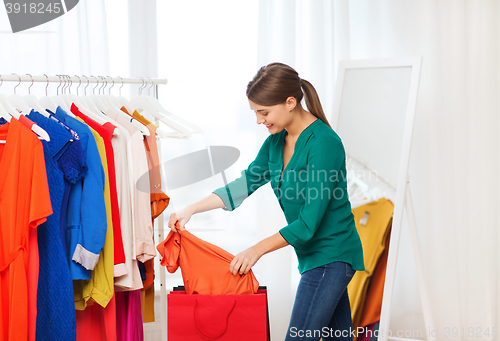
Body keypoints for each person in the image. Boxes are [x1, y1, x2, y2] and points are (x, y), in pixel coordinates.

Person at [168, 62, 365, 341]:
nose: (260, 121)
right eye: (256, 113)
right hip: (311, 258)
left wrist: (255, 250)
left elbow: (308, 223)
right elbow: (245, 184)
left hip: (332, 256)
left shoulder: (324, 144)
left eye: (264, 112)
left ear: (290, 102)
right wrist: (191, 209)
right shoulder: (276, 141)